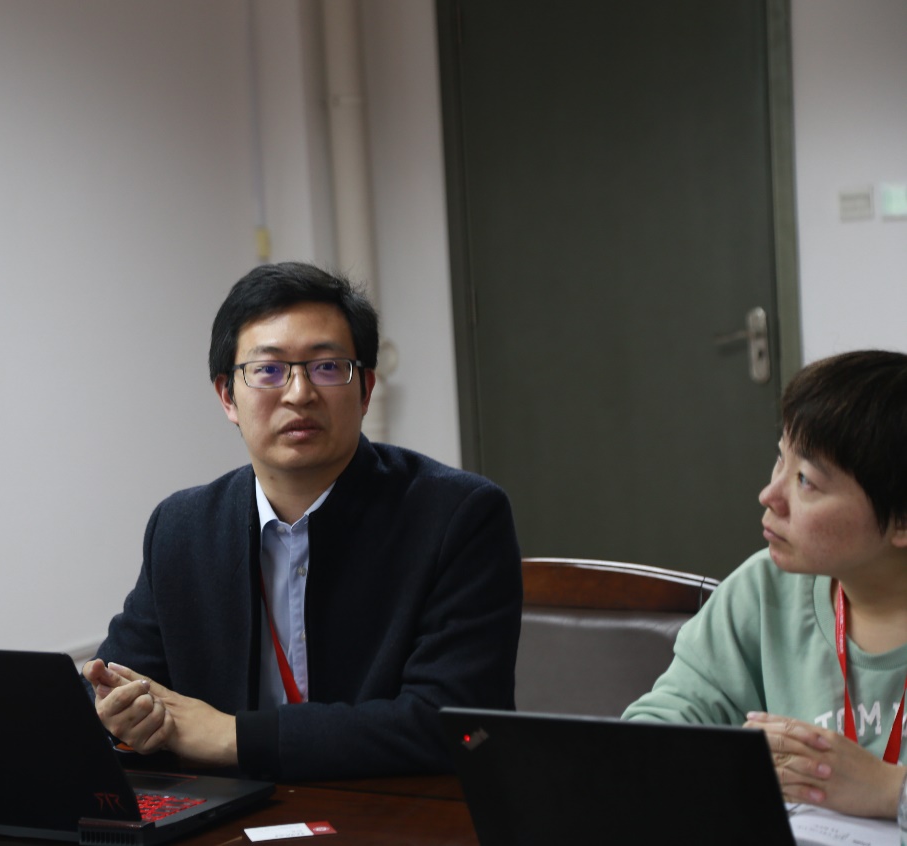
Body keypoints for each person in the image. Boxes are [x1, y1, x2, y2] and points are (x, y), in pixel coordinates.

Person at [82, 261, 522, 781]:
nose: (298, 393)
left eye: (327, 367)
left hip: (391, 808)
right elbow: (116, 684)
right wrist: (118, 716)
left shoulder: (458, 517)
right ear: (227, 396)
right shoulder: (182, 528)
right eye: (268, 370)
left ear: (366, 390)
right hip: (232, 813)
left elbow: (455, 726)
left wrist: (230, 735)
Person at [623, 349, 907, 819]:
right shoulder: (763, 588)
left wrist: (890, 790)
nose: (770, 495)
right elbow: (652, 734)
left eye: (806, 481)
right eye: (780, 460)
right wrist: (723, 763)